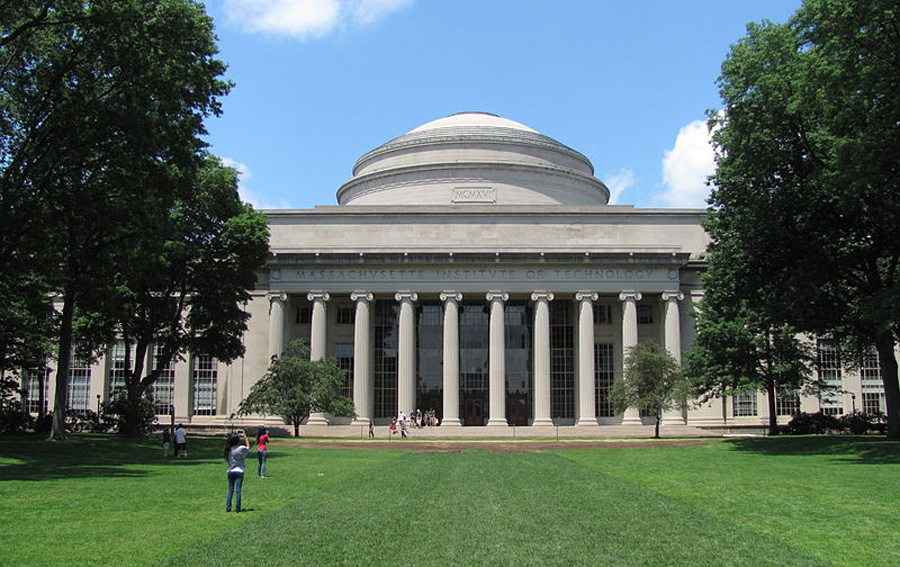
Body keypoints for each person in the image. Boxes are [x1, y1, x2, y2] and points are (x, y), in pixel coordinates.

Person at [224, 430, 251, 513]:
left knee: (230, 490)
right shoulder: (241, 449)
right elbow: (248, 447)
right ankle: (238, 508)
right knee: (238, 490)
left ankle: (228, 508)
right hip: (239, 471)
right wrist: (245, 436)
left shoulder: (228, 450)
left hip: (230, 471)